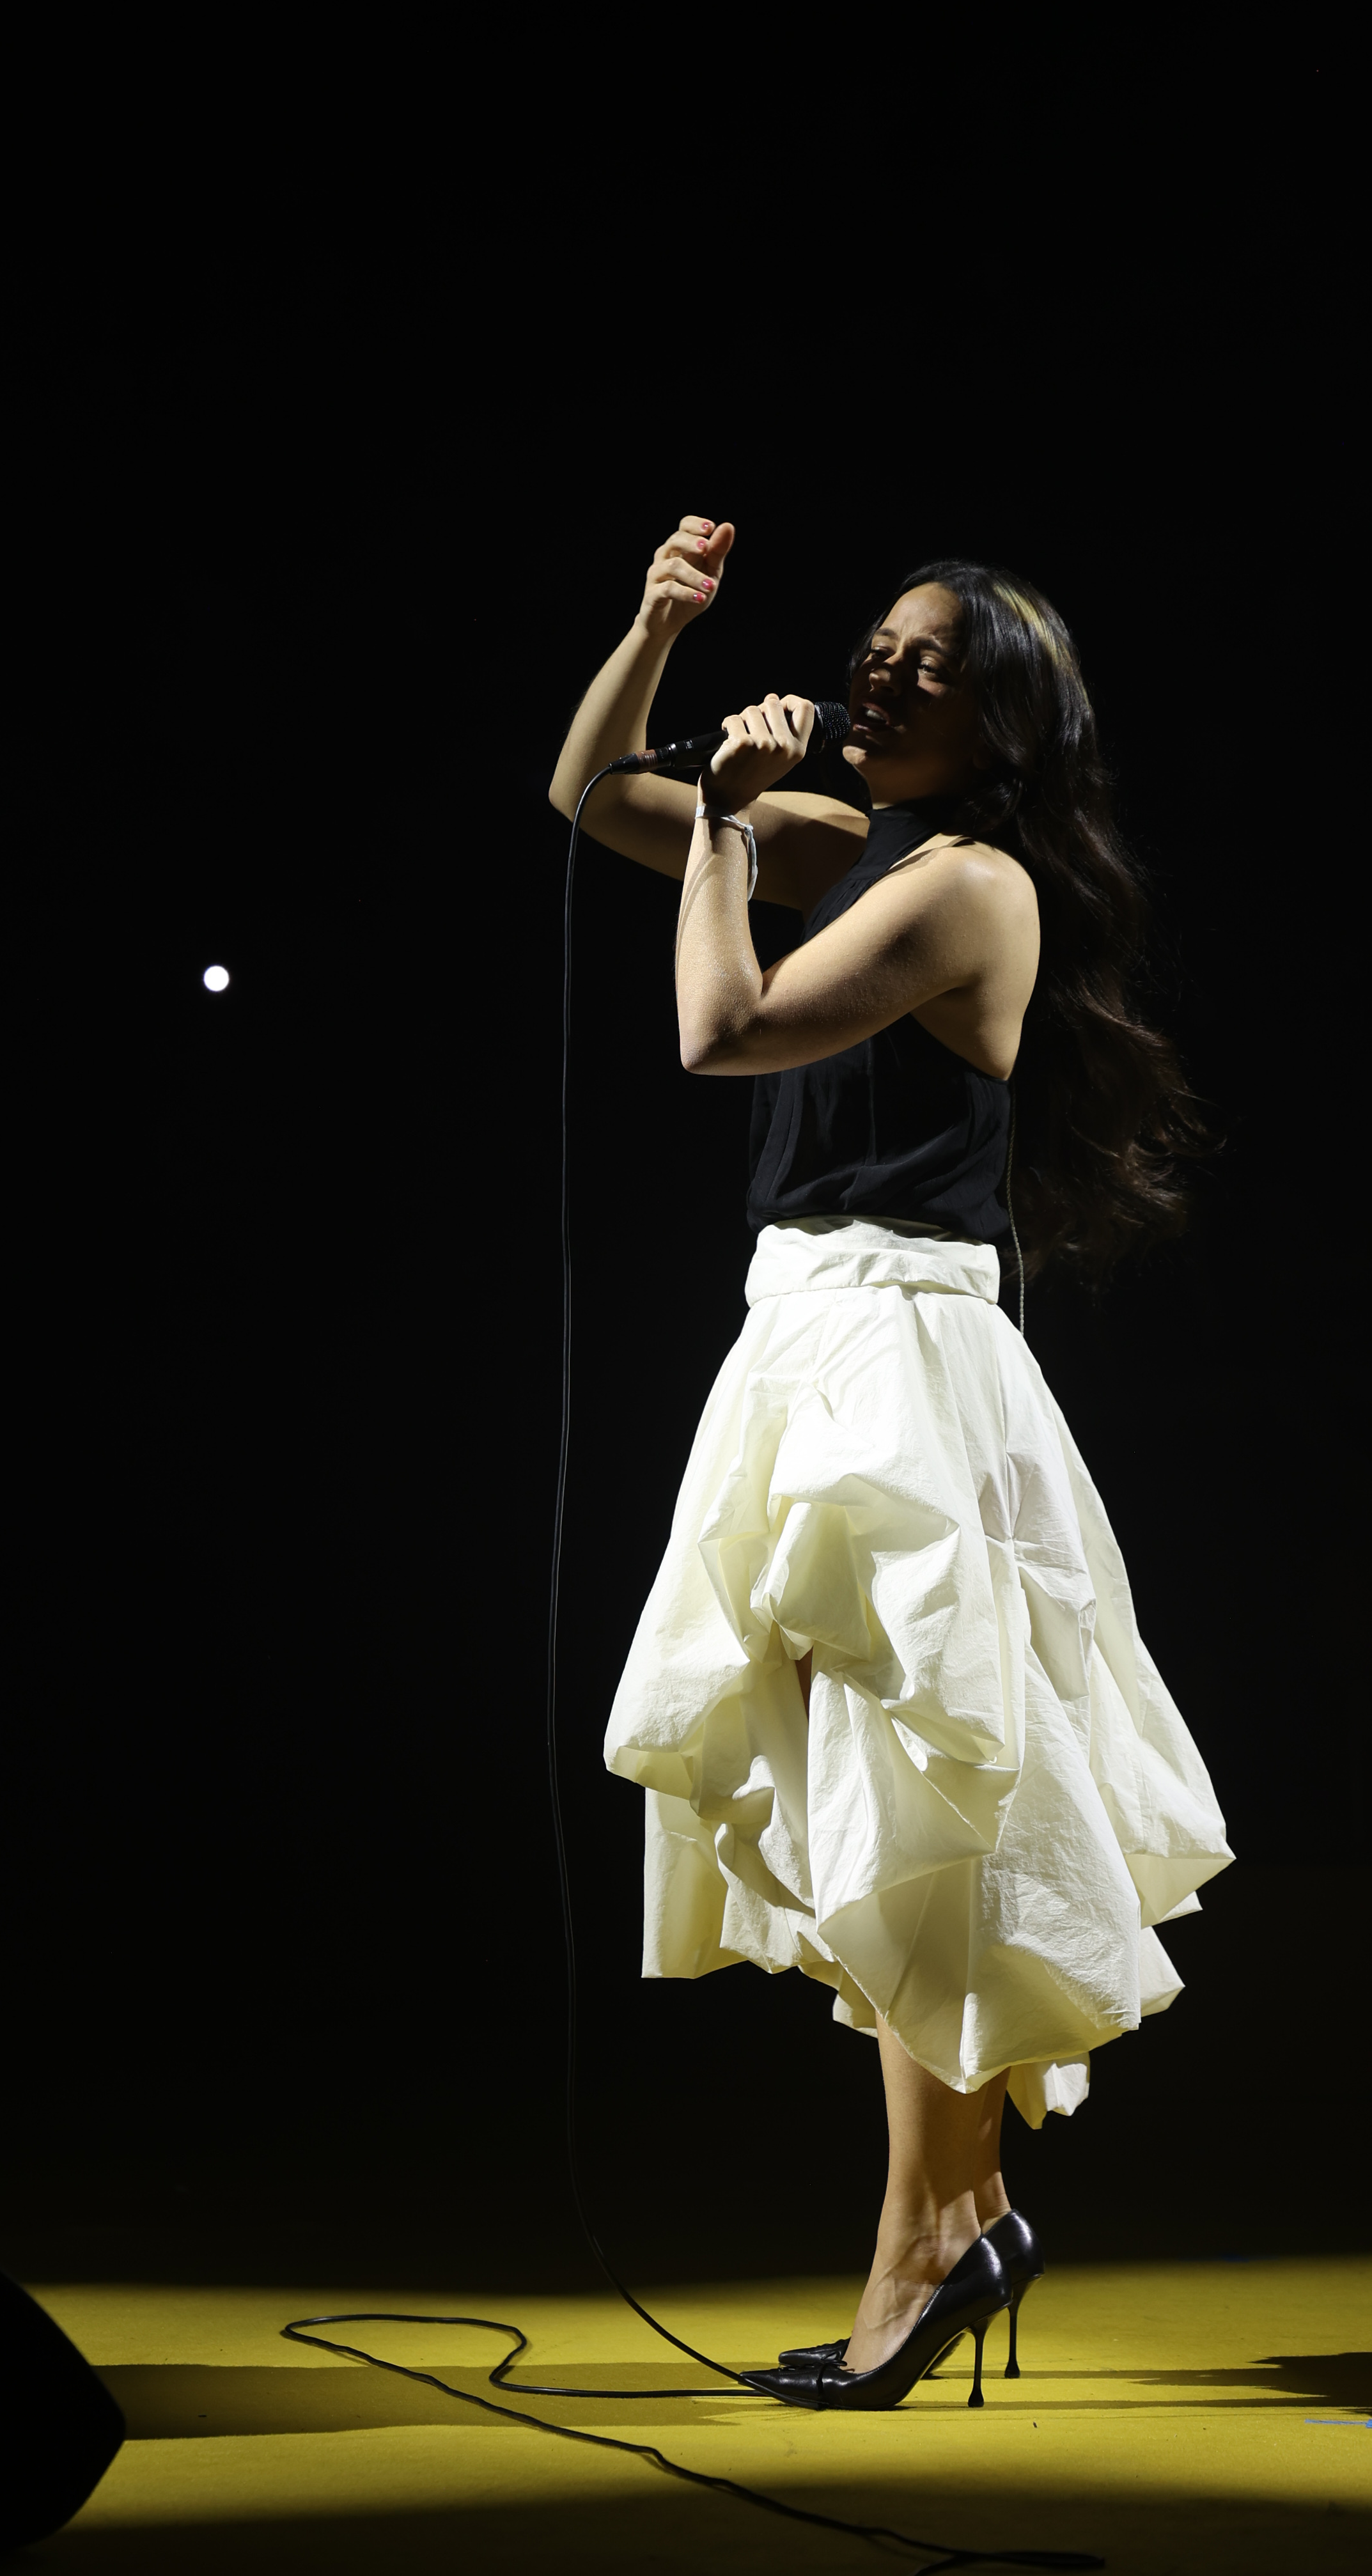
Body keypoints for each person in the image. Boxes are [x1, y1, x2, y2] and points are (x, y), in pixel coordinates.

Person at [547, 517, 1232, 2411]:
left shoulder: (974, 889)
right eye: (876, 644)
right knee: (877, 1799)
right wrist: (656, 632)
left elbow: (719, 1028)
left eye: (927, 660)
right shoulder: (878, 858)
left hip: (901, 1354)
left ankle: (935, 2232)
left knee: (911, 1787)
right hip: (817, 1337)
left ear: (1002, 716)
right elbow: (594, 792)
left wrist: (728, 828)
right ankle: (945, 2220)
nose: (879, 672)